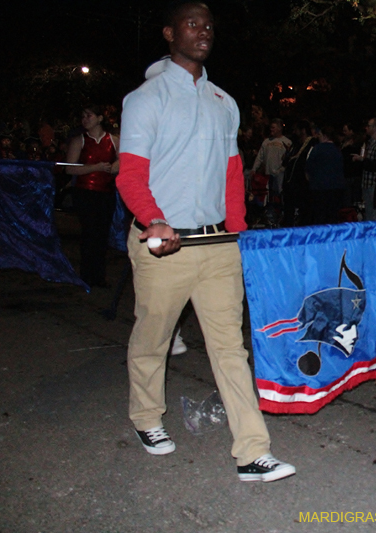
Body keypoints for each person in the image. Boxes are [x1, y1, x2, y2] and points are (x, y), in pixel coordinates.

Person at [115, 1, 295, 482]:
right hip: (165, 245)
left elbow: (232, 174)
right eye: (192, 24)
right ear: (169, 33)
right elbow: (130, 175)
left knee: (231, 348)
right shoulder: (146, 99)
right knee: (153, 339)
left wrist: (239, 232)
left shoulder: (223, 102)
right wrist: (154, 220)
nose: (203, 31)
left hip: (217, 246)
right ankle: (146, 417)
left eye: (209, 25)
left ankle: (253, 451)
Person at [65, 105, 120, 288]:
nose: (85, 120)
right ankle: (87, 275)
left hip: (106, 193)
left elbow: (123, 160)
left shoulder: (113, 140)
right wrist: (95, 167)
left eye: (89, 116)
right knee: (89, 233)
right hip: (85, 192)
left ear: (99, 118)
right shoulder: (79, 140)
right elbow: (69, 168)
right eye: (83, 116)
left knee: (102, 234)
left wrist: (115, 166)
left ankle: (99, 276)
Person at [305, 124, 345, 224]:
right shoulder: (337, 150)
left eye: (320, 135)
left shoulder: (317, 149)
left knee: (320, 217)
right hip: (335, 189)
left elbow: (308, 167)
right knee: (332, 217)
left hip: (319, 189)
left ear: (324, 136)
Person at [281, 120, 317, 227]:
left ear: (303, 130)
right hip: (291, 183)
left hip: (303, 183)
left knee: (304, 210)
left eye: (296, 130)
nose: (294, 132)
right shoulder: (296, 144)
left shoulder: (311, 144)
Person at [352, 117, 376, 220]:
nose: (366, 128)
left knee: (375, 212)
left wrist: (363, 160)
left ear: (375, 127)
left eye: (369, 126)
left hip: (374, 184)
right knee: (368, 212)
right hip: (366, 182)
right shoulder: (369, 142)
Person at [251, 118, 291, 197]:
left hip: (280, 175)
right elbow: (260, 156)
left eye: (273, 127)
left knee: (279, 195)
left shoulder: (287, 142)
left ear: (279, 128)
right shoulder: (266, 142)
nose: (271, 129)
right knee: (268, 196)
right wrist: (254, 168)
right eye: (271, 127)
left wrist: (282, 169)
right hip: (267, 174)